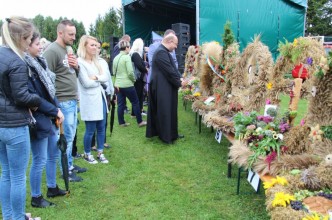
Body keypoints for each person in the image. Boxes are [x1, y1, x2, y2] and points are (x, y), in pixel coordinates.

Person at [0, 16, 41, 220]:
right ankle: (16, 218)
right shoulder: (16, 60)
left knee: (6, 174)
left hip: (1, 124)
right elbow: (21, 96)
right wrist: (38, 99)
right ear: (21, 38)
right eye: (29, 39)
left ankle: (9, 217)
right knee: (17, 177)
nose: (29, 43)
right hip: (14, 125)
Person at [25, 31, 67, 208]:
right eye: (36, 44)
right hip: (38, 118)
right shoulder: (25, 67)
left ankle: (52, 187)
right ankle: (36, 197)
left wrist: (56, 108)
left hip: (49, 116)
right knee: (39, 159)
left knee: (53, 154)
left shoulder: (39, 63)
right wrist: (54, 109)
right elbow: (35, 98)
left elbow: (50, 91)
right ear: (27, 45)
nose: (40, 47)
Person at [43, 19, 86, 182]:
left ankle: (70, 165)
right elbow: (45, 79)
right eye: (71, 34)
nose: (74, 37)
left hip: (72, 100)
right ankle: (65, 170)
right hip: (62, 101)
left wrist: (76, 67)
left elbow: (70, 73)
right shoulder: (52, 51)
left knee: (71, 135)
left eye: (75, 34)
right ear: (60, 33)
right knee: (65, 138)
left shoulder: (68, 49)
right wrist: (54, 105)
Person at [146, 33, 184, 144]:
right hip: (162, 87)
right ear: (170, 42)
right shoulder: (161, 52)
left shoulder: (164, 51)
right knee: (165, 111)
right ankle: (166, 136)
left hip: (166, 85)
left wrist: (180, 79)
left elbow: (173, 69)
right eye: (176, 44)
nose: (176, 47)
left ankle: (172, 134)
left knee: (170, 110)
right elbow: (170, 71)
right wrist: (180, 82)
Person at [77, 35, 109, 164]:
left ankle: (100, 152)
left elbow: (106, 77)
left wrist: (95, 77)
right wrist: (99, 79)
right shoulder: (80, 62)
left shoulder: (98, 61)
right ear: (84, 46)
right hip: (89, 100)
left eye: (96, 45)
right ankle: (87, 153)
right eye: (92, 45)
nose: (95, 48)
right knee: (90, 129)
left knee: (101, 127)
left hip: (100, 98)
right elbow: (85, 83)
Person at [112, 40, 147, 128]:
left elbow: (113, 72)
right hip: (127, 84)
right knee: (135, 102)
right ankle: (140, 122)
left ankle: (121, 123)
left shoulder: (116, 58)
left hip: (118, 84)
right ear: (127, 47)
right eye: (129, 47)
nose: (130, 48)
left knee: (120, 104)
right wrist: (133, 80)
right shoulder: (127, 57)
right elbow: (130, 72)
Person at [91, 40, 114, 151]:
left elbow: (108, 77)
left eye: (99, 47)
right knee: (93, 120)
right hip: (94, 93)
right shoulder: (88, 61)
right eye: (95, 46)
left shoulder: (103, 62)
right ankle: (92, 144)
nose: (97, 49)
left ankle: (102, 141)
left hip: (105, 93)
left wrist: (111, 91)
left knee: (104, 118)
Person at [109, 34, 131, 114]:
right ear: (125, 40)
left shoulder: (118, 47)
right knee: (120, 92)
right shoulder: (117, 47)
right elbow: (115, 58)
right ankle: (123, 108)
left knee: (121, 92)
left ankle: (123, 108)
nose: (128, 44)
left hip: (120, 72)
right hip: (119, 73)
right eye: (128, 41)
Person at [129, 38, 148, 118]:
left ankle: (138, 111)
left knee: (139, 95)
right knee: (137, 95)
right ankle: (135, 113)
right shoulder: (135, 54)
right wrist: (146, 69)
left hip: (138, 78)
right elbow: (139, 66)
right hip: (138, 78)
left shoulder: (134, 54)